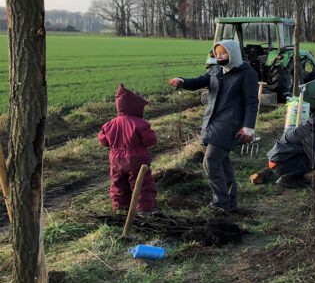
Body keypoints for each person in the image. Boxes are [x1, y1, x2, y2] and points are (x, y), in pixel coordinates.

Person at [169, 40, 258, 212]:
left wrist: (249, 127)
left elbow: (252, 102)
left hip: (230, 124)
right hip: (213, 122)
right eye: (217, 53)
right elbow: (200, 81)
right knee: (222, 162)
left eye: (223, 53)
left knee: (210, 161)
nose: (219, 56)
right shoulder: (216, 70)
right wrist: (183, 81)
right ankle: (230, 201)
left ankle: (220, 201)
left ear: (232, 54)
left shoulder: (247, 74)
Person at [99, 84, 158, 214]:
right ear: (135, 107)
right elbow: (151, 140)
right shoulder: (140, 123)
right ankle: (144, 211)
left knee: (118, 185)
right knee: (142, 185)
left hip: (116, 160)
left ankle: (120, 210)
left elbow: (103, 141)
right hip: (137, 159)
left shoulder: (109, 124)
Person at [256, 113, 315, 188]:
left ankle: (296, 175)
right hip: (279, 163)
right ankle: (287, 179)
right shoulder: (312, 133)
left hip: (287, 158)